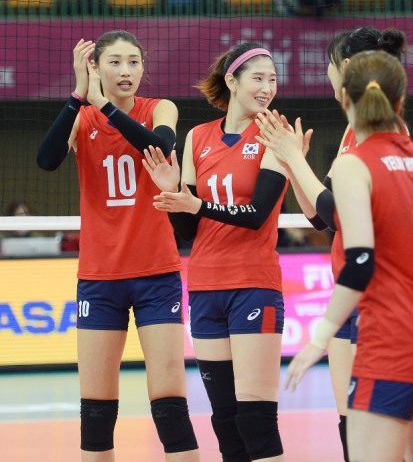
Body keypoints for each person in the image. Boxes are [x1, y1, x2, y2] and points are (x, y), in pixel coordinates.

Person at [279, 50, 413, 462]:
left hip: (392, 343)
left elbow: (361, 260)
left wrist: (319, 338)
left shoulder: (355, 163)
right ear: (401, 102)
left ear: (345, 99)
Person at [36, 31, 199, 461]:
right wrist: (77, 95)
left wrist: (104, 105)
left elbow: (161, 146)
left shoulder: (159, 108)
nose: (126, 71)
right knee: (96, 412)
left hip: (156, 273)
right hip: (99, 278)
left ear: (144, 68)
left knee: (169, 407)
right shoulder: (81, 116)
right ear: (95, 69)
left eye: (133, 62)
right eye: (115, 63)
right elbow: (46, 159)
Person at [255, 26, 406, 461]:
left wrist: (297, 162)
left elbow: (341, 214)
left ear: (346, 72)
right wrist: (291, 164)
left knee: (372, 426)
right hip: (352, 288)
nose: (324, 71)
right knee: (350, 421)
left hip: (374, 290)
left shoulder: (380, 134)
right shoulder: (349, 134)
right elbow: (324, 218)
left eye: (330, 63)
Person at [142, 42, 287, 462]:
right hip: (206, 285)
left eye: (272, 79)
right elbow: (188, 228)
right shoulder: (197, 137)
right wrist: (172, 191)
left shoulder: (276, 133)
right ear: (232, 81)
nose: (267, 88)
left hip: (254, 285)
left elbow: (258, 213)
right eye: (258, 78)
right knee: (224, 419)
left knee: (256, 420)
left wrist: (197, 203)